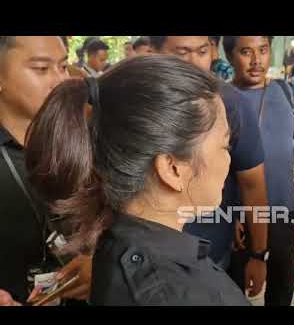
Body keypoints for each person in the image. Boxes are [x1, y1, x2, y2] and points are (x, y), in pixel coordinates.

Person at [24, 55, 249, 306]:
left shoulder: (114, 245)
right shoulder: (179, 296)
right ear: (173, 169)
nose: (229, 160)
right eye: (224, 145)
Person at [149, 36, 269, 298]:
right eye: (182, 53)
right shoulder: (136, 102)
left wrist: (258, 254)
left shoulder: (231, 105)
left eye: (202, 51)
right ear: (154, 51)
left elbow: (253, 185)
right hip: (144, 258)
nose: (194, 63)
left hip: (210, 253)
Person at [0, 36, 92, 306]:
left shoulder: (86, 139)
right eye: (41, 69)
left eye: (63, 67)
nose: (59, 81)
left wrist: (99, 261)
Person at [224, 36, 294, 306]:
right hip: (241, 217)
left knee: (281, 286)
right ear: (230, 56)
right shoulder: (221, 100)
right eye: (246, 52)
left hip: (283, 212)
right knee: (233, 289)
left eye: (263, 51)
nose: (257, 61)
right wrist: (228, 215)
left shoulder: (284, 91)